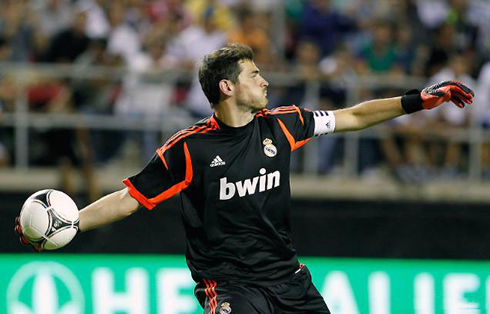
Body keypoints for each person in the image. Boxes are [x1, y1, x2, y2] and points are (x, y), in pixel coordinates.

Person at [15, 43, 474, 313]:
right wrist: (69, 224)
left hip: (290, 279)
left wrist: (417, 100)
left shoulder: (283, 124)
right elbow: (129, 198)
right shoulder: (187, 149)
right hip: (230, 286)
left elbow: (352, 116)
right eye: (255, 75)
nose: (266, 82)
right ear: (227, 87)